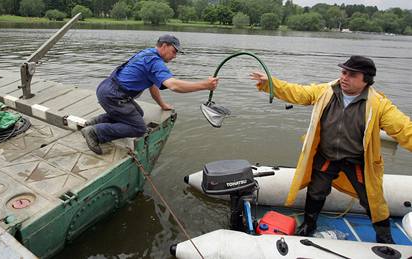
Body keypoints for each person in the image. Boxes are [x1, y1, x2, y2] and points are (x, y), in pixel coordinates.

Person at [250, 55, 412, 243]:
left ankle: (384, 238)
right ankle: (309, 224)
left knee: (373, 200)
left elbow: (404, 129)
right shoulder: (326, 91)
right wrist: (270, 83)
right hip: (326, 156)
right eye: (343, 72)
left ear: (366, 79)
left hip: (357, 161)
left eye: (352, 74)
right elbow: (299, 93)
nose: (344, 77)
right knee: (316, 192)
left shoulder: (379, 105)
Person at [82, 35, 218, 155]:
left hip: (107, 89)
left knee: (138, 113)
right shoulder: (155, 62)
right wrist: (205, 85)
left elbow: (152, 85)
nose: (175, 56)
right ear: (164, 46)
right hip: (114, 96)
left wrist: (162, 105)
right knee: (139, 128)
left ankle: (96, 121)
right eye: (174, 51)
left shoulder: (147, 53)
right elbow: (174, 85)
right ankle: (95, 132)